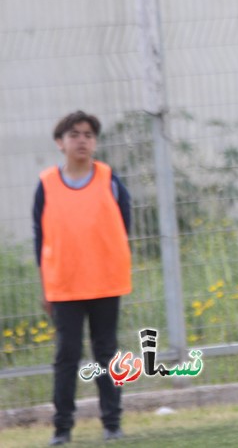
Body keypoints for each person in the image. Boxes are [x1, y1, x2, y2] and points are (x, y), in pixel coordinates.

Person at [32, 111, 132, 445]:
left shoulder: (109, 179)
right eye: (74, 134)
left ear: (95, 142)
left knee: (106, 354)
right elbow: (39, 237)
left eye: (88, 134)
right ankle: (62, 428)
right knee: (67, 356)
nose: (82, 140)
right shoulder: (47, 184)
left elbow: (123, 225)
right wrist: (46, 284)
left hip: (105, 283)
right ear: (60, 143)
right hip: (64, 286)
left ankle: (112, 423)